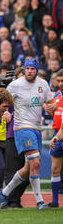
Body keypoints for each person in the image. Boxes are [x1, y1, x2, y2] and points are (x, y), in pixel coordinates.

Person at [0, 58, 55, 210]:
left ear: (37, 70)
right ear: (24, 69)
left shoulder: (43, 84)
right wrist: (6, 112)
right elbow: (2, 101)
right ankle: (40, 201)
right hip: (21, 128)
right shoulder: (15, 85)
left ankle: (3, 193)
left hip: (36, 128)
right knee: (35, 163)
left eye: (32, 69)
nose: (29, 71)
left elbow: (51, 102)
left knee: (28, 167)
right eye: (27, 68)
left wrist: (50, 107)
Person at [47, 69, 63, 207]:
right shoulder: (57, 95)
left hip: (60, 134)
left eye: (62, 81)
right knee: (54, 169)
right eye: (58, 81)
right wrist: (50, 110)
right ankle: (55, 201)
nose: (60, 83)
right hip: (57, 133)